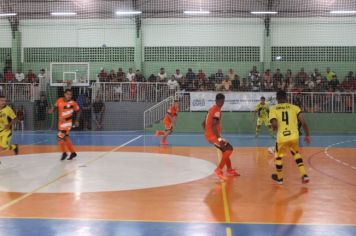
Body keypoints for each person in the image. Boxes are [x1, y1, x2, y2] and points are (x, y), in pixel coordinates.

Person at [269, 90, 311, 184]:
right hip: (294, 136)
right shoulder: (295, 107)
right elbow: (303, 122)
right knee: (296, 153)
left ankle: (280, 179)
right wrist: (307, 135)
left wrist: (272, 128)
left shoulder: (274, 109)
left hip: (282, 137)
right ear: (286, 98)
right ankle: (304, 175)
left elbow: (275, 125)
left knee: (278, 156)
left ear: (277, 98)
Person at [202, 93, 239, 179]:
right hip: (213, 135)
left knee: (225, 150)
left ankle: (229, 170)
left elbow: (203, 123)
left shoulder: (211, 109)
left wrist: (207, 132)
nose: (223, 102)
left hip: (210, 134)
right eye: (223, 101)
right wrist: (219, 139)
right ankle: (218, 169)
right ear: (222, 101)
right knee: (229, 149)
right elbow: (214, 125)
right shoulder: (217, 110)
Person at [49, 89, 80, 161]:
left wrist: (77, 120)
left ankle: (64, 153)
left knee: (59, 137)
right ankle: (73, 153)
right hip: (60, 123)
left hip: (67, 124)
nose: (69, 96)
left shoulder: (73, 103)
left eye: (70, 95)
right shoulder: (59, 100)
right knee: (65, 138)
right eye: (67, 94)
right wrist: (51, 110)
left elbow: (78, 111)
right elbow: (55, 108)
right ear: (64, 94)